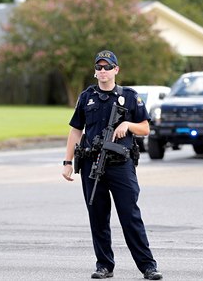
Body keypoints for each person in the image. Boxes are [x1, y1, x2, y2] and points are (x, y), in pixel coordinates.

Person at [61, 50, 163, 280]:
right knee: (97, 216)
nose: (103, 71)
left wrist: (128, 124)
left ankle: (148, 266)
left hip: (120, 165)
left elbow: (146, 128)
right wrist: (67, 162)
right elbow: (76, 130)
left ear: (116, 70)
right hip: (91, 164)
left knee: (130, 216)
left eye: (107, 67)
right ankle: (104, 265)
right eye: (99, 67)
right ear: (95, 71)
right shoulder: (87, 97)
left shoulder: (129, 96)